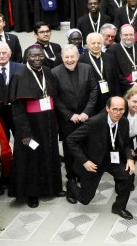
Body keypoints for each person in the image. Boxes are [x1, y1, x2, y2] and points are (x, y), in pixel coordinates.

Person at [66, 96, 137, 219]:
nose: (118, 113)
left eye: (121, 109)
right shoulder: (94, 122)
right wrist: (84, 161)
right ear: (107, 108)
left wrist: (130, 159)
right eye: (115, 109)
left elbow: (126, 143)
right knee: (85, 199)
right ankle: (71, 184)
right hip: (93, 162)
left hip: (112, 159)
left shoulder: (124, 122)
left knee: (129, 174)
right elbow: (70, 140)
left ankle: (119, 207)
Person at [9, 45, 63, 208]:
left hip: (48, 121)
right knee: (32, 159)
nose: (37, 58)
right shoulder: (19, 75)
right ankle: (32, 193)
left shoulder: (47, 71)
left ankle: (52, 188)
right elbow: (17, 109)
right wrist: (25, 133)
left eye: (40, 55)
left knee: (51, 153)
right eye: (33, 56)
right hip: (31, 125)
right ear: (27, 57)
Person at [51, 47, 98, 201]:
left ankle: (84, 175)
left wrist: (86, 112)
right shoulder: (55, 72)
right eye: (66, 57)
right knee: (70, 150)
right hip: (68, 120)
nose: (69, 60)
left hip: (86, 117)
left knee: (87, 146)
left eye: (72, 56)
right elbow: (55, 97)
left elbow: (94, 91)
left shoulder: (87, 68)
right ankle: (71, 180)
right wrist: (70, 115)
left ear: (78, 57)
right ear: (62, 58)